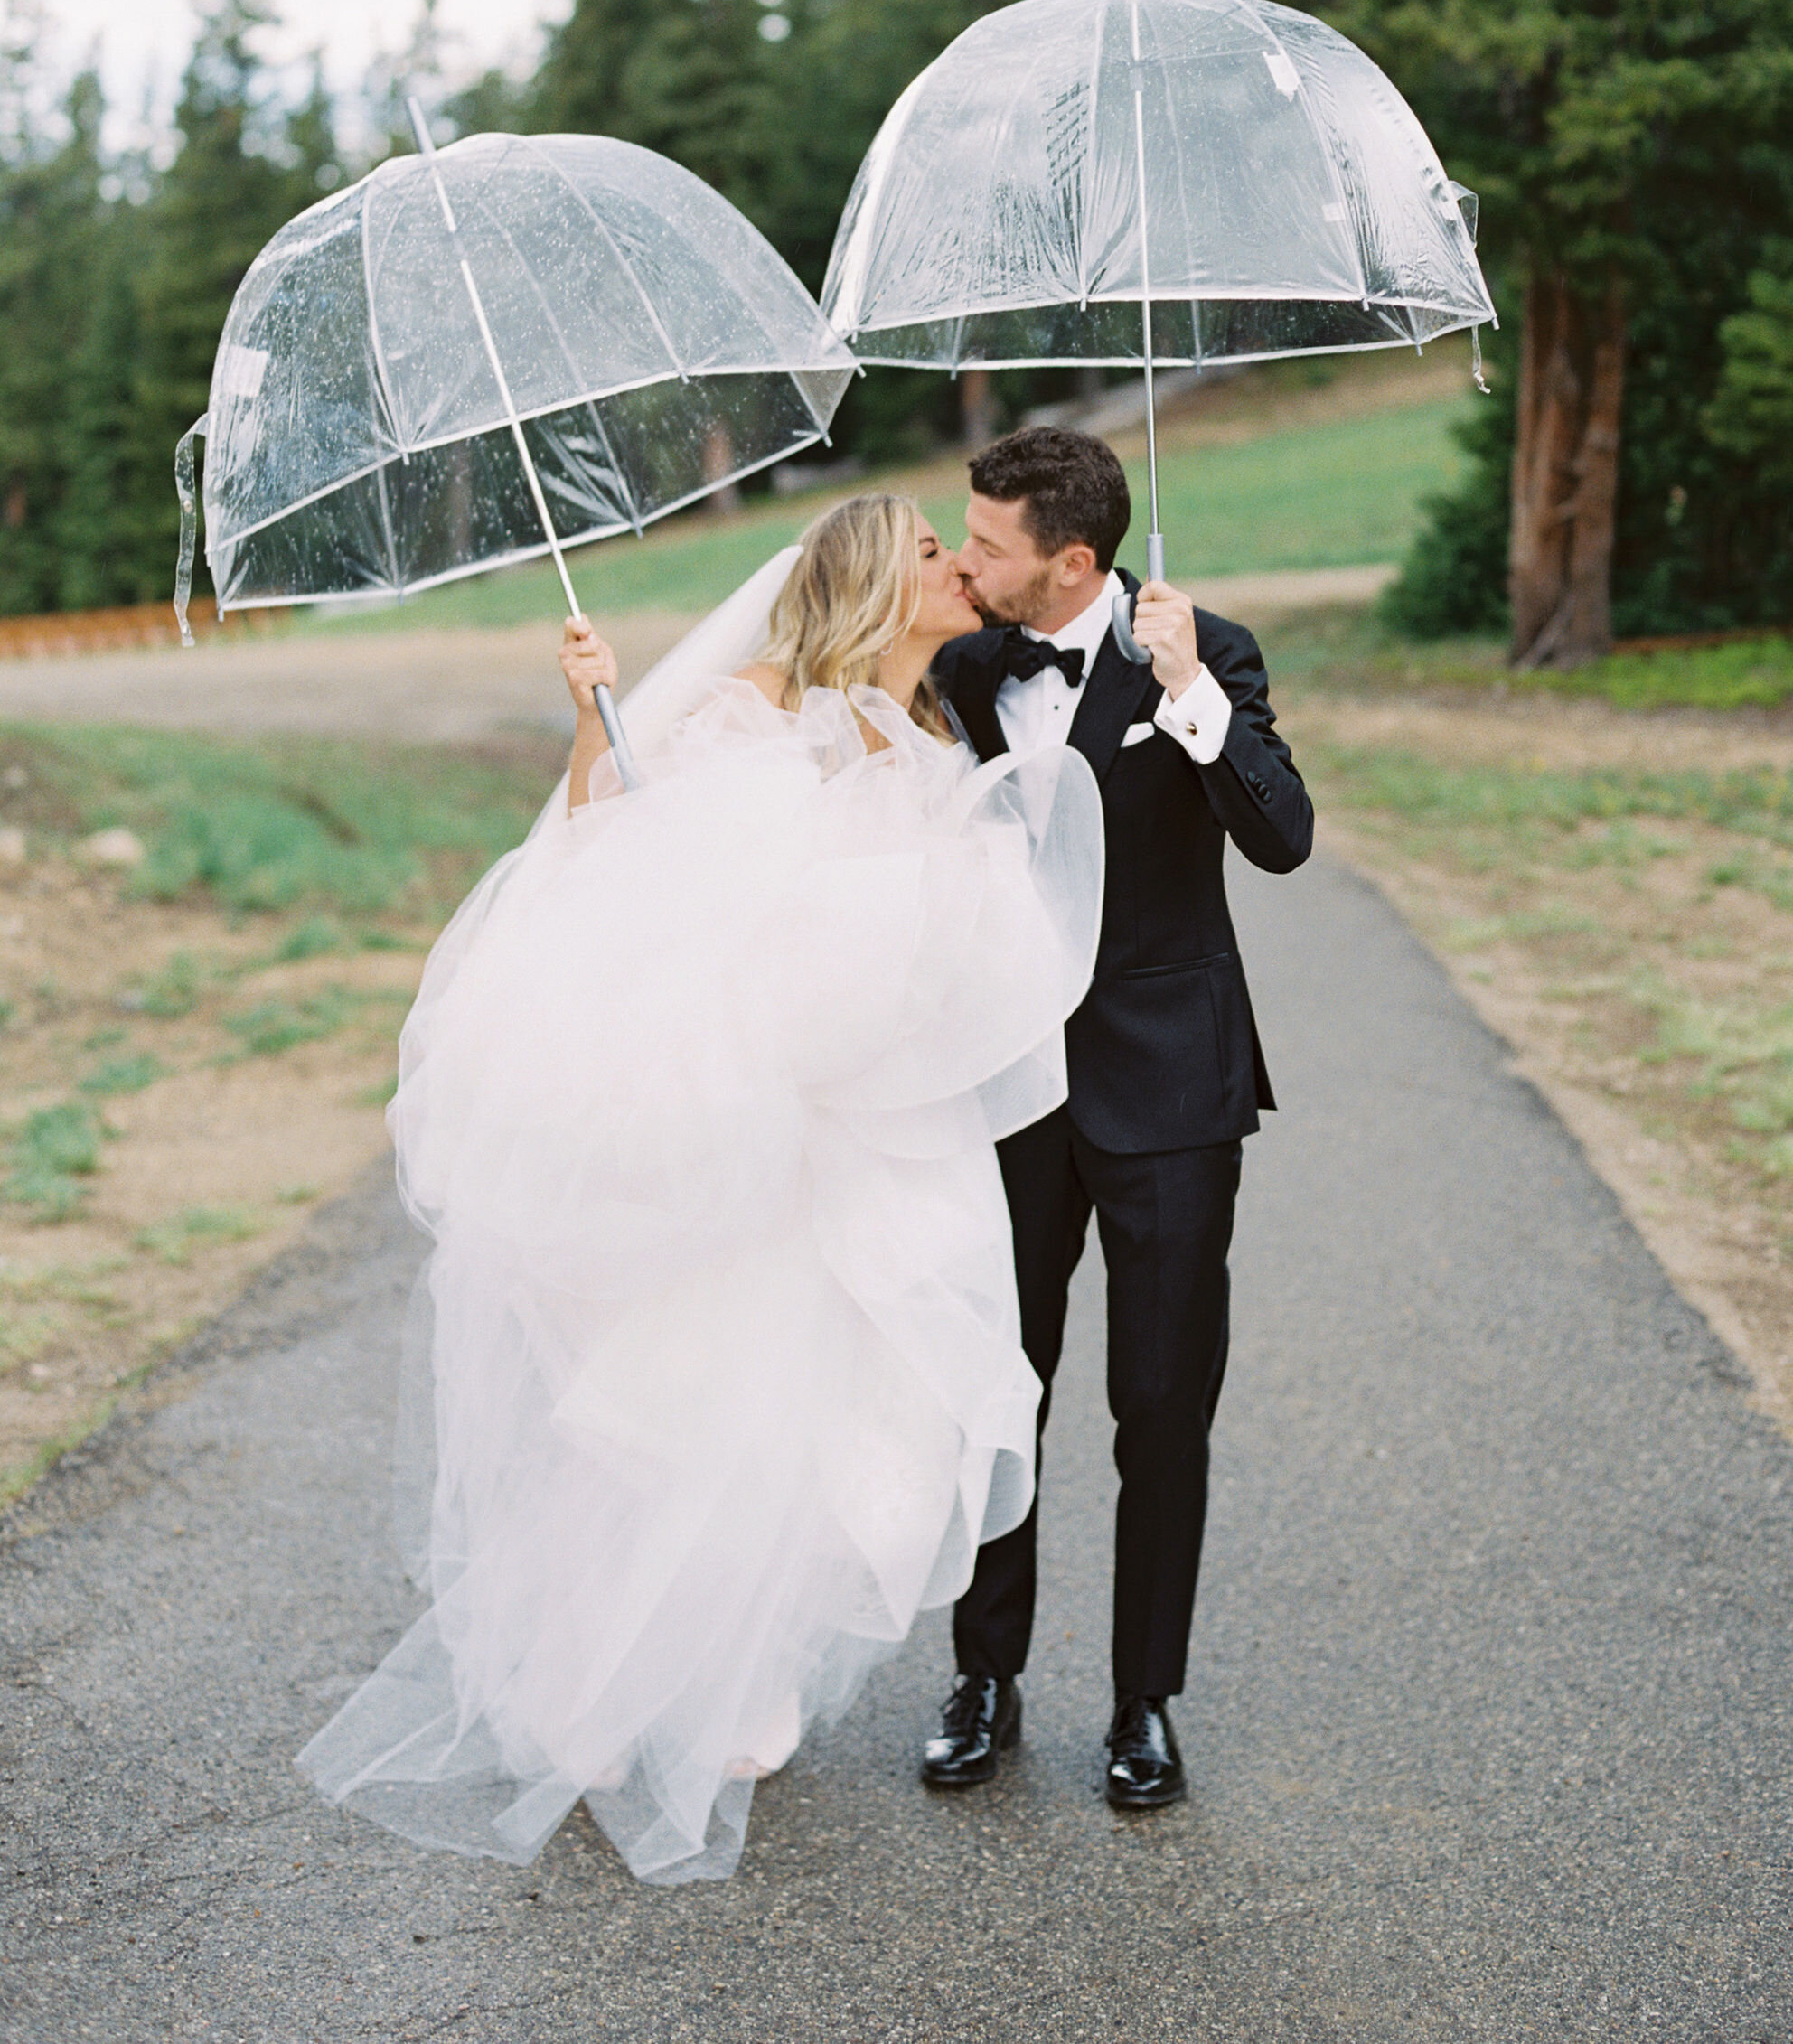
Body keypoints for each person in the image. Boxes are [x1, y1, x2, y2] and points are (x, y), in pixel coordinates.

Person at [298, 494, 1104, 1885]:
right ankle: (589, 1685)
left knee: (839, 1404)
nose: (957, 567)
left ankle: (736, 1670)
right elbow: (615, 850)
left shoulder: (924, 731)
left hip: (875, 1127)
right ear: (867, 576)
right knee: (688, 1396)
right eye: (929, 550)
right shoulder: (754, 706)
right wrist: (588, 712)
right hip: (752, 1128)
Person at [921, 427, 1313, 1812]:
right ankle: (982, 1674)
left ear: (1071, 560)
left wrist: (1192, 687)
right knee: (992, 1397)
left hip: (1168, 1090)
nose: (963, 561)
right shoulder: (964, 669)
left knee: (1159, 1407)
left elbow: (1281, 837)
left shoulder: (1205, 653)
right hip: (1004, 1090)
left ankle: (1144, 1699)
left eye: (985, 546)